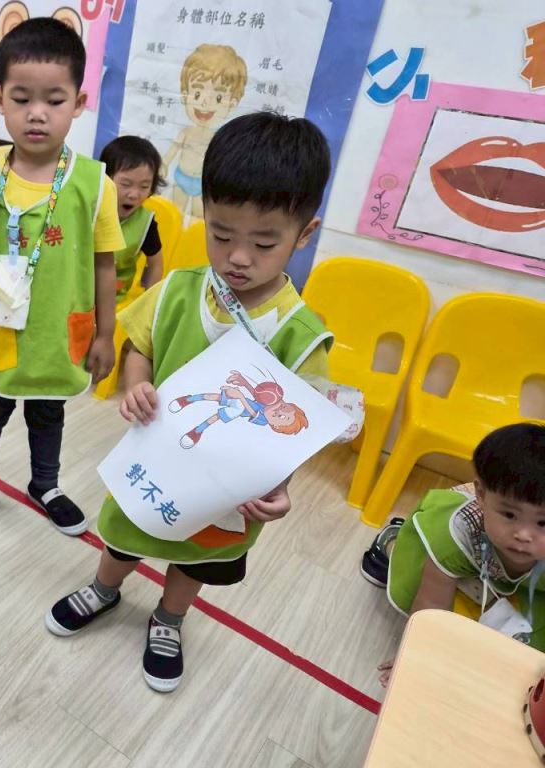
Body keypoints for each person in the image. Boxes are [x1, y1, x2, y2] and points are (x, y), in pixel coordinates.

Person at [46, 111, 334, 693]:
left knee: (198, 557)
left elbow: (298, 428)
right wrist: (136, 383)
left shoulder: (302, 334)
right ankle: (104, 588)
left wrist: (281, 487)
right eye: (221, 234)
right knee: (125, 530)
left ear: (304, 234)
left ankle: (169, 618)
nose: (238, 257)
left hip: (228, 489)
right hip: (157, 461)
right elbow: (141, 346)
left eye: (264, 242)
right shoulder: (179, 289)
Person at [0, 17, 125, 538]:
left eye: (54, 100)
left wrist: (106, 334)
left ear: (79, 102)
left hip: (58, 335)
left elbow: (105, 265)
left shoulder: (94, 184)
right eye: (21, 99)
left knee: (48, 415)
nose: (37, 113)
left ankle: (45, 484)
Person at [361, 422, 545, 685]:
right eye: (509, 515)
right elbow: (430, 606)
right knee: (442, 611)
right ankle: (392, 545)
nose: (524, 534)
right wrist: (414, 657)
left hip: (519, 575)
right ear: (481, 495)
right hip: (470, 551)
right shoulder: (457, 533)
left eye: (542, 522)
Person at [162, 44, 247, 219]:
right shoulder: (186, 132)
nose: (205, 103)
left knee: (198, 219)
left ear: (232, 104)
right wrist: (164, 163)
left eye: (218, 97)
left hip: (202, 185)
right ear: (185, 95)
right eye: (197, 94)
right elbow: (174, 148)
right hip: (182, 177)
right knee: (174, 214)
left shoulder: (219, 139)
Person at [99, 135, 166, 303]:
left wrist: (149, 302)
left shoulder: (146, 224)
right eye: (125, 184)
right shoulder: (89, 209)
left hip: (113, 301)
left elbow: (156, 264)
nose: (134, 194)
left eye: (144, 186)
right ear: (105, 178)